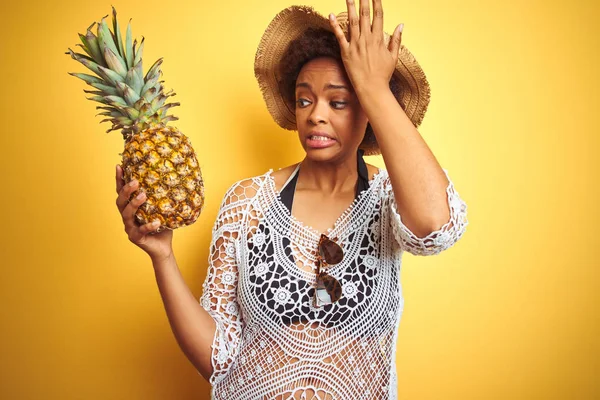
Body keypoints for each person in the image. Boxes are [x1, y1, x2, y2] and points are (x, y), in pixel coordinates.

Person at [116, 2, 469, 399]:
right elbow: (218, 360)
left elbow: (436, 228)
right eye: (304, 100)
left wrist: (372, 86)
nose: (316, 115)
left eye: (338, 102)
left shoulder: (390, 199)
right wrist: (162, 255)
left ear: (369, 110)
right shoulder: (247, 202)